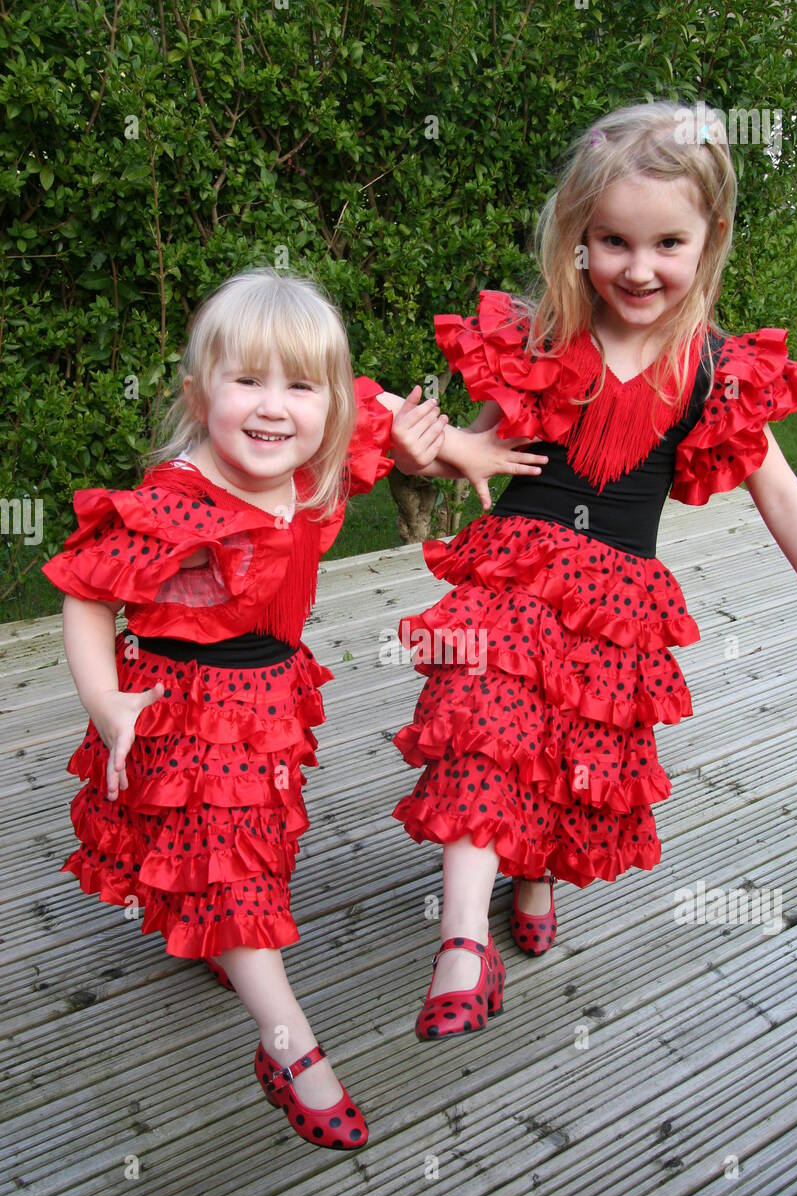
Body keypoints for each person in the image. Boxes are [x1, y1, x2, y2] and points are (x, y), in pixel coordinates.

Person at [386, 100, 797, 1041]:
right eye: (613, 242)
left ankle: (532, 872)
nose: (637, 269)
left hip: (617, 602)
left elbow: (781, 497)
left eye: (665, 244)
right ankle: (459, 945)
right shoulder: (547, 342)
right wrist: (428, 453)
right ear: (579, 238)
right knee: (488, 728)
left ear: (709, 239)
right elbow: (466, 453)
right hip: (515, 578)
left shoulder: (713, 372)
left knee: (570, 757)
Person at [41, 266, 544, 1147]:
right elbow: (84, 593)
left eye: (301, 386)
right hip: (178, 705)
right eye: (247, 381)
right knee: (224, 864)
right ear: (200, 396)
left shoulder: (321, 457)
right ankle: (291, 1047)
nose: (275, 408)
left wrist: (457, 447)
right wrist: (107, 703)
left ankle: (227, 947)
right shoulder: (174, 503)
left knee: (254, 852)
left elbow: (378, 403)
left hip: (271, 694)